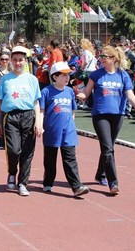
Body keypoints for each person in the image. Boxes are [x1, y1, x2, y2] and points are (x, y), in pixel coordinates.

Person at [76, 45, 135, 195]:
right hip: (100, 115)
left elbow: (129, 94)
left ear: (113, 59)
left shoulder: (123, 75)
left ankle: (100, 174)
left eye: (104, 57)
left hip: (117, 115)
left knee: (109, 147)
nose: (101, 59)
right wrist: (79, 95)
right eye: (100, 57)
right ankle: (113, 183)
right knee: (107, 148)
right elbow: (86, 93)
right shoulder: (96, 75)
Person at [0, 45, 43, 196]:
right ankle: (12, 172)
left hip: (28, 116)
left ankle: (23, 183)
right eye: (14, 60)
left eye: (20, 60)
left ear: (25, 61)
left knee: (27, 152)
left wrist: (38, 122)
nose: (17, 63)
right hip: (11, 117)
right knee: (14, 150)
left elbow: (36, 102)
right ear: (10, 61)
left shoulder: (32, 79)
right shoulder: (5, 79)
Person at [39, 62, 90, 197]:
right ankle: (48, 182)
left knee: (70, 158)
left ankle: (76, 186)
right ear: (55, 77)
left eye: (68, 75)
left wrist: (70, 124)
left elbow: (73, 110)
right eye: (63, 75)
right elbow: (41, 111)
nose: (67, 78)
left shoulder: (69, 91)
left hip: (68, 132)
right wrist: (39, 125)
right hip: (52, 131)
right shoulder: (46, 91)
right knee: (50, 159)